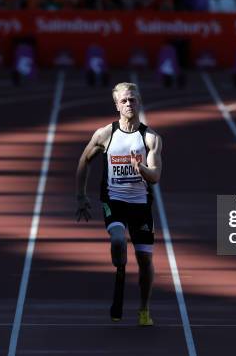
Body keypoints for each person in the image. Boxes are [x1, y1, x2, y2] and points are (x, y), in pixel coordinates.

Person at [75, 82, 162, 326]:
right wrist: (80, 196)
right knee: (117, 239)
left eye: (132, 100)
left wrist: (141, 168)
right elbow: (84, 161)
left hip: (140, 205)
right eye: (124, 101)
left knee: (145, 261)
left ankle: (144, 309)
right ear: (116, 105)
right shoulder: (105, 134)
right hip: (113, 200)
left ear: (139, 102)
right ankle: (121, 267)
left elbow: (155, 177)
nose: (129, 104)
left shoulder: (151, 138)